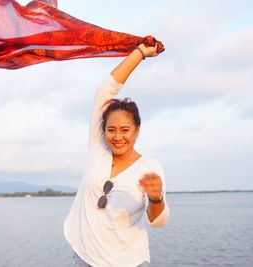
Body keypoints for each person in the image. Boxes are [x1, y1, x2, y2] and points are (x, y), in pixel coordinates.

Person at [64, 42, 170, 267]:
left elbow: (158, 221)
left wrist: (156, 198)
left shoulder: (149, 166)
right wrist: (140, 53)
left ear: (137, 131)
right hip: (85, 259)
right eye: (111, 130)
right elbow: (106, 90)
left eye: (125, 130)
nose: (117, 137)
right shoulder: (99, 148)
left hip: (129, 262)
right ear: (103, 131)